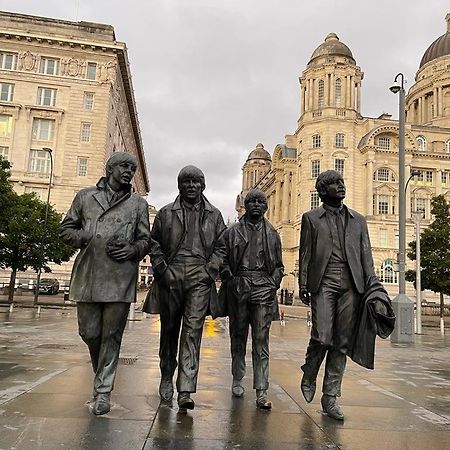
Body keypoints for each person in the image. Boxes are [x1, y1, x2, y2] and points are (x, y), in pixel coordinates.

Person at [60, 152, 150, 415]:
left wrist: (133, 250)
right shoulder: (85, 197)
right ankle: (101, 376)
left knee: (112, 336)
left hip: (120, 276)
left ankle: (102, 392)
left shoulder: (137, 205)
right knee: (89, 333)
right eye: (124, 166)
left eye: (132, 168)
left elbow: (146, 240)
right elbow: (66, 229)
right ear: (110, 168)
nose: (128, 171)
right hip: (89, 272)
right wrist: (88, 235)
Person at [298, 170, 377, 421]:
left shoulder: (358, 220)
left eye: (341, 182)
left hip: (352, 284)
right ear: (323, 191)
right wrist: (303, 284)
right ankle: (310, 371)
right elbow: (306, 254)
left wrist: (373, 285)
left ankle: (330, 396)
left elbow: (367, 257)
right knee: (322, 336)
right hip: (324, 281)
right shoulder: (311, 218)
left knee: (342, 341)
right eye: (334, 184)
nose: (340, 186)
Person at [145, 166, 226, 410]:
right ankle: (166, 376)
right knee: (169, 330)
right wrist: (162, 269)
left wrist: (209, 271)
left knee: (193, 331)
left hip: (200, 276)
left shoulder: (215, 214)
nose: (191, 186)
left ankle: (186, 388)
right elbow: (154, 243)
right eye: (186, 181)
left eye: (196, 181)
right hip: (172, 273)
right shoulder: (165, 213)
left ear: (203, 185)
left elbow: (222, 247)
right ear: (179, 185)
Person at [219, 189, 284, 410]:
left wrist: (273, 282)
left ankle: (261, 389)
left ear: (266, 206)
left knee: (261, 341)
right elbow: (223, 260)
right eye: (252, 201)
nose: (256, 205)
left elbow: (279, 266)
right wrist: (231, 279)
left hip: (263, 288)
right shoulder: (232, 232)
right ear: (245, 205)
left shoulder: (273, 233)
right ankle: (238, 378)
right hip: (240, 285)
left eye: (260, 201)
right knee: (238, 337)